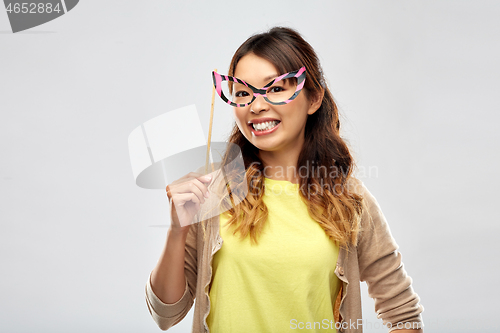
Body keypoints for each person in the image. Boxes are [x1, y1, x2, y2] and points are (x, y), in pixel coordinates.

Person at [144, 27, 424, 333]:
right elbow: (165, 315)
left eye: (275, 88)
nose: (256, 105)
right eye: (242, 92)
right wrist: (177, 229)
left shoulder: (349, 200)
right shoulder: (213, 192)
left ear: (314, 98)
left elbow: (404, 313)